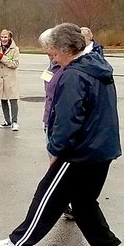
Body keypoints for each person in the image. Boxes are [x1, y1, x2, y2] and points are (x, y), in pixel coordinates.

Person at [0, 23, 124, 246]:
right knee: (83, 202)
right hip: (103, 149)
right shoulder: (98, 65)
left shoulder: (74, 74)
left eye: (53, 52)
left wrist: (55, 149)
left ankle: (17, 243)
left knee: (47, 196)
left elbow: (68, 119)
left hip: (79, 153)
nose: (52, 57)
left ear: (66, 49)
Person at [39, 28, 74, 221]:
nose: (47, 53)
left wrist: (58, 142)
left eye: (49, 49)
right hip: (49, 120)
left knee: (57, 168)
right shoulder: (53, 66)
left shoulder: (68, 71)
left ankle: (62, 203)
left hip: (59, 125)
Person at [0, 29, 21, 131]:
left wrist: (3, 58)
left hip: (10, 79)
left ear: (9, 37)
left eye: (5, 37)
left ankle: (14, 122)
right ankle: (7, 121)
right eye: (2, 37)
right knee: (3, 99)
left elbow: (15, 64)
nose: (3, 39)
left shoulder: (15, 49)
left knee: (13, 99)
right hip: (0, 78)